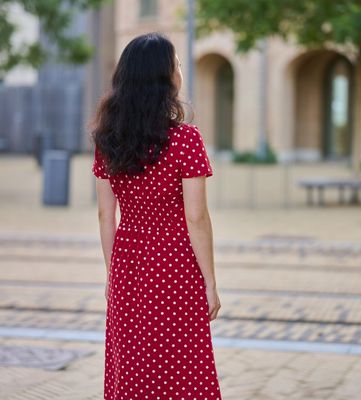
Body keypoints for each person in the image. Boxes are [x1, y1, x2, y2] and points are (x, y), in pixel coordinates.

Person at [90, 32, 223, 399]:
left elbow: (106, 215)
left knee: (134, 366)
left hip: (129, 264)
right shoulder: (185, 140)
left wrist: (110, 273)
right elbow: (197, 217)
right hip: (175, 264)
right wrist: (210, 280)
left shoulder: (107, 140)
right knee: (183, 366)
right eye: (177, 65)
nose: (180, 70)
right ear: (165, 79)